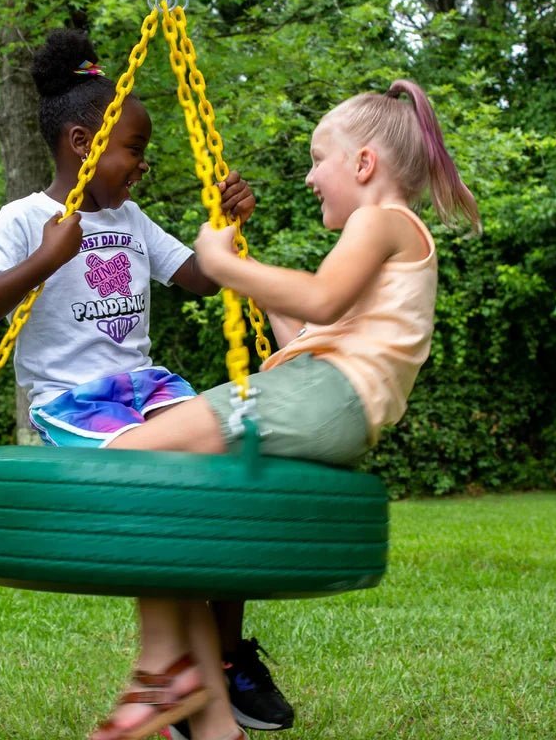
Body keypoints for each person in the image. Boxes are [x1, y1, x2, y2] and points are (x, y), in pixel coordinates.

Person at [91, 79, 480, 740]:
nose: (308, 177)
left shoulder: (381, 221)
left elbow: (322, 301)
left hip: (328, 398)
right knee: (173, 487)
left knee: (128, 459)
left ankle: (167, 670)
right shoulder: (387, 237)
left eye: (317, 159)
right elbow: (305, 339)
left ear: (364, 164)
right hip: (328, 400)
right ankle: (211, 719)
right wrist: (241, 255)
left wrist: (217, 259)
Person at [0, 28, 292, 734]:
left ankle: (224, 662)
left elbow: (198, 277)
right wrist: (45, 260)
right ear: (83, 142)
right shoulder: (25, 220)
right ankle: (177, 673)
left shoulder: (133, 219)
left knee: (234, 455)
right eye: (133, 149)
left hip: (146, 387)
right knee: (158, 478)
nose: (141, 165)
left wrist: (223, 227)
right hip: (71, 406)